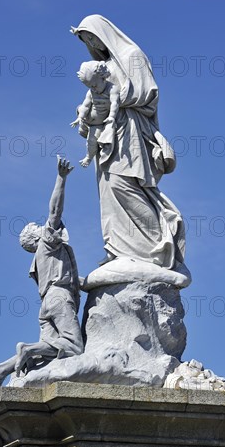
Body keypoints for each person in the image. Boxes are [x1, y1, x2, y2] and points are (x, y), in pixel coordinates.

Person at [71, 15, 186, 269]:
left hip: (130, 130)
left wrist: (113, 99)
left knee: (126, 183)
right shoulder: (104, 65)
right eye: (86, 41)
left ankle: (158, 241)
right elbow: (91, 101)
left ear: (102, 33)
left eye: (91, 37)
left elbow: (148, 93)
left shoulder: (131, 55)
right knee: (108, 188)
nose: (91, 44)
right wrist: (88, 116)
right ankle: (118, 248)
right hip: (106, 136)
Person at [0, 157, 83, 390]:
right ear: (37, 237)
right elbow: (54, 210)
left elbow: (68, 279)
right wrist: (61, 178)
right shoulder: (48, 244)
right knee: (74, 347)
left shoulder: (40, 262)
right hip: (60, 299)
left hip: (47, 303)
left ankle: (0, 370)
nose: (44, 227)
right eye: (38, 228)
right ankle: (26, 349)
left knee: (48, 352)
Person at [70, 60, 120, 168]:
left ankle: (88, 157)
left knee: (91, 141)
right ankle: (88, 154)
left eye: (95, 85)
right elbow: (86, 105)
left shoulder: (112, 89)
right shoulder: (91, 92)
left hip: (97, 124)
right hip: (87, 119)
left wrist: (112, 116)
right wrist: (80, 117)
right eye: (90, 87)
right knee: (80, 108)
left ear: (103, 77)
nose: (93, 89)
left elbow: (115, 103)